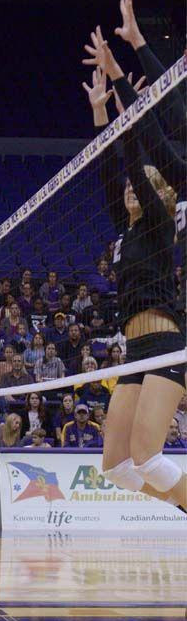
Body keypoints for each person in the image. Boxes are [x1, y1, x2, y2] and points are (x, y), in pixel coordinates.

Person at [83, 26, 186, 508]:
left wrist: (128, 121)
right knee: (117, 470)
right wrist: (102, 113)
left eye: (138, 185)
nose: (130, 189)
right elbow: (109, 172)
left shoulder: (158, 224)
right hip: (135, 351)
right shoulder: (125, 233)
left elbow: (134, 166)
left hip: (166, 344)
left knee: (146, 457)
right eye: (129, 187)